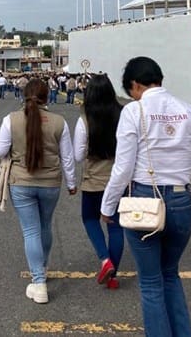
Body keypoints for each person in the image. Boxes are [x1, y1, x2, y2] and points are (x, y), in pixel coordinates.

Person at [101, 56, 191, 336]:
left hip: (144, 199)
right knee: (170, 274)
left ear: (134, 85)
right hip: (181, 201)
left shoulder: (133, 112)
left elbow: (123, 169)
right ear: (160, 79)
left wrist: (108, 206)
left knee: (151, 282)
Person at [0, 78, 77, 304]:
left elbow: (1, 150)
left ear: (23, 95)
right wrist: (71, 184)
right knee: (44, 226)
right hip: (50, 183)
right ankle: (43, 266)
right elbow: (67, 158)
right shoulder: (59, 122)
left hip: (21, 182)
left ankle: (38, 282)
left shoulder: (11, 120)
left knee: (31, 231)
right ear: (46, 95)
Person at [73, 74, 125, 290]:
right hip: (119, 179)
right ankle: (113, 275)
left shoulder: (85, 119)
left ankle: (105, 260)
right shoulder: (123, 114)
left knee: (90, 218)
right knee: (115, 226)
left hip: (94, 180)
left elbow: (77, 154)